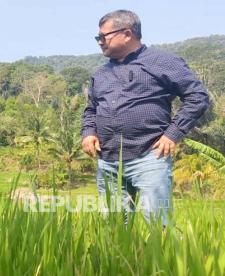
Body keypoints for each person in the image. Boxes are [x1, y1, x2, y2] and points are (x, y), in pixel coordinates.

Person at [81, 10, 210, 225]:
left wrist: (173, 134)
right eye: (98, 38)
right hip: (109, 160)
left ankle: (163, 260)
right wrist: (88, 132)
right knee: (113, 229)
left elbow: (197, 97)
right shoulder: (100, 74)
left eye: (103, 36)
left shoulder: (163, 62)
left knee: (158, 224)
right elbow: (91, 109)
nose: (99, 42)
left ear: (127, 33)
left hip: (149, 157)